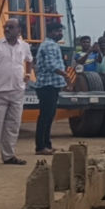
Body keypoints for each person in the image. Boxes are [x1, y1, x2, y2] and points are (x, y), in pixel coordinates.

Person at [0, 18, 33, 167]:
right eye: (6, 27)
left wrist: (28, 75)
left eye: (11, 27)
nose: (7, 29)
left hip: (17, 90)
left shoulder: (24, 46)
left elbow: (30, 60)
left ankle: (9, 156)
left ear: (19, 31)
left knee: (13, 124)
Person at [34, 22, 70, 155]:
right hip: (47, 84)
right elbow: (51, 65)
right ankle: (40, 146)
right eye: (56, 31)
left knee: (49, 115)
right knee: (45, 116)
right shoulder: (49, 45)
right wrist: (66, 75)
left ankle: (46, 144)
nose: (59, 33)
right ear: (49, 32)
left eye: (60, 31)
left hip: (52, 84)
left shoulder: (52, 45)